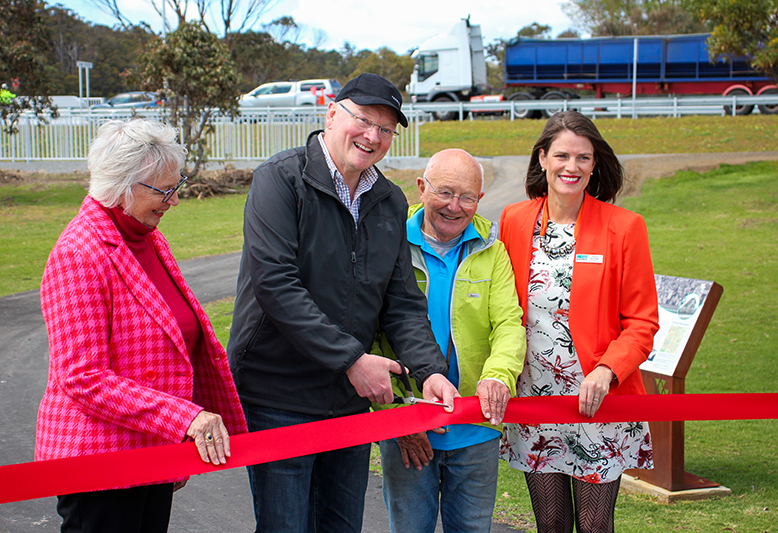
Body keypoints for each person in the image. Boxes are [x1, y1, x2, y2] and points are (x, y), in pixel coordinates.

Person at [227, 73, 459, 533]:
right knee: (286, 527)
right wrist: (352, 359)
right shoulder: (280, 179)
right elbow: (276, 285)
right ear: (332, 113)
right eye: (364, 120)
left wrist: (430, 371)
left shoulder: (389, 200)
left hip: (347, 403)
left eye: (386, 129)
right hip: (280, 395)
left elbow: (401, 302)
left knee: (340, 527)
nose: (373, 136)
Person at [36, 119, 247, 533]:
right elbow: (82, 377)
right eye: (163, 190)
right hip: (99, 462)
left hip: (149, 451)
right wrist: (182, 418)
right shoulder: (80, 252)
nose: (174, 200)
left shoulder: (147, 236)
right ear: (123, 184)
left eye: (176, 185)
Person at [498, 110, 659, 533]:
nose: (572, 167)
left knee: (592, 524)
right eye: (563, 156)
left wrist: (607, 371)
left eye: (584, 158)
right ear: (542, 159)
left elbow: (642, 323)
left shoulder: (625, 228)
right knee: (550, 522)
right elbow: (503, 309)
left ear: (595, 164)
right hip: (536, 397)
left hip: (599, 399)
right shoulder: (514, 221)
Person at [374, 149, 527, 533]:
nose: (455, 207)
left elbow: (509, 323)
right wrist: (395, 418)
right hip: (407, 426)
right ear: (422, 188)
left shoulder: (493, 249)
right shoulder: (388, 242)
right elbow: (369, 335)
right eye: (445, 192)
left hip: (476, 426)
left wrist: (498, 377)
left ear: (480, 200)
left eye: (468, 197)